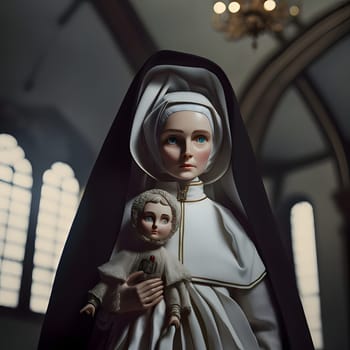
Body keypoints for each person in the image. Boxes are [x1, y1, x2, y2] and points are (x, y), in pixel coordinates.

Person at [38, 50, 314, 350]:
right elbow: (90, 316)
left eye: (200, 138)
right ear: (152, 145)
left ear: (216, 144)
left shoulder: (227, 224)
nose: (187, 152)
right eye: (173, 139)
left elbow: (264, 321)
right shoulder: (128, 216)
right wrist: (119, 301)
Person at [79, 189, 191, 349]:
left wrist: (174, 312)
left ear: (173, 225)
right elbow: (108, 282)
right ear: (137, 219)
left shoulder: (167, 259)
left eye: (164, 220)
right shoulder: (129, 256)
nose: (155, 225)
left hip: (157, 318)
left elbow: (172, 288)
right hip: (128, 320)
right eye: (149, 217)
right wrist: (93, 301)